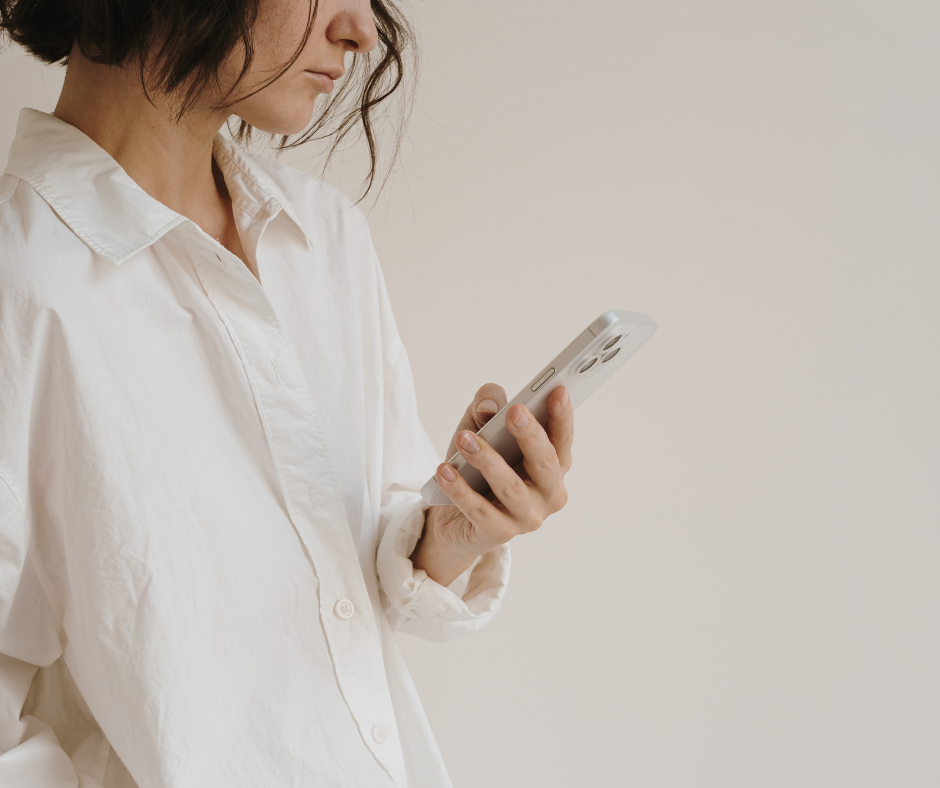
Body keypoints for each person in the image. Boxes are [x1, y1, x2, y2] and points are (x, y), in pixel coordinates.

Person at [0, 0, 574, 785]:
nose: (361, 29)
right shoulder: (21, 285)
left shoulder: (323, 237)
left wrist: (454, 527)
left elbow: (364, 581)